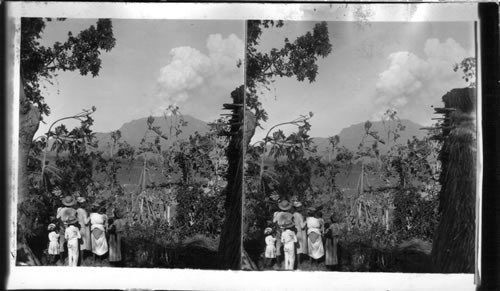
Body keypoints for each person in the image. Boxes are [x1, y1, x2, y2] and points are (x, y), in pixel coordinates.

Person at [56, 195, 78, 263]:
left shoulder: (62, 210)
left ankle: (62, 259)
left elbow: (57, 217)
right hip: (71, 227)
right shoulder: (74, 210)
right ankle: (73, 259)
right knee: (72, 241)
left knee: (62, 242)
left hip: (62, 227)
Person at [272, 199, 294, 266]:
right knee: (288, 245)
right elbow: (293, 223)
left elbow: (274, 222)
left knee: (278, 246)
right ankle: (289, 261)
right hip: (288, 231)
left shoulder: (278, 214)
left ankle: (279, 263)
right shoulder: (291, 215)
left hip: (279, 231)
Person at [292, 201, 307, 267]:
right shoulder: (300, 215)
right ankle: (298, 263)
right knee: (299, 249)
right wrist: (306, 221)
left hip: (294, 232)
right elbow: (302, 226)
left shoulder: (293, 215)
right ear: (297, 208)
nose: (301, 208)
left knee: (295, 248)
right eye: (299, 207)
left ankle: (294, 261)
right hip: (299, 232)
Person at [76, 196, 91, 262]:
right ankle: (82, 259)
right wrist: (90, 217)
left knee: (78, 243)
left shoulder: (76, 210)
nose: (84, 204)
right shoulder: (83, 211)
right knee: (83, 244)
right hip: (83, 228)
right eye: (83, 203)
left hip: (77, 228)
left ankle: (77, 257)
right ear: (81, 204)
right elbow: (86, 222)